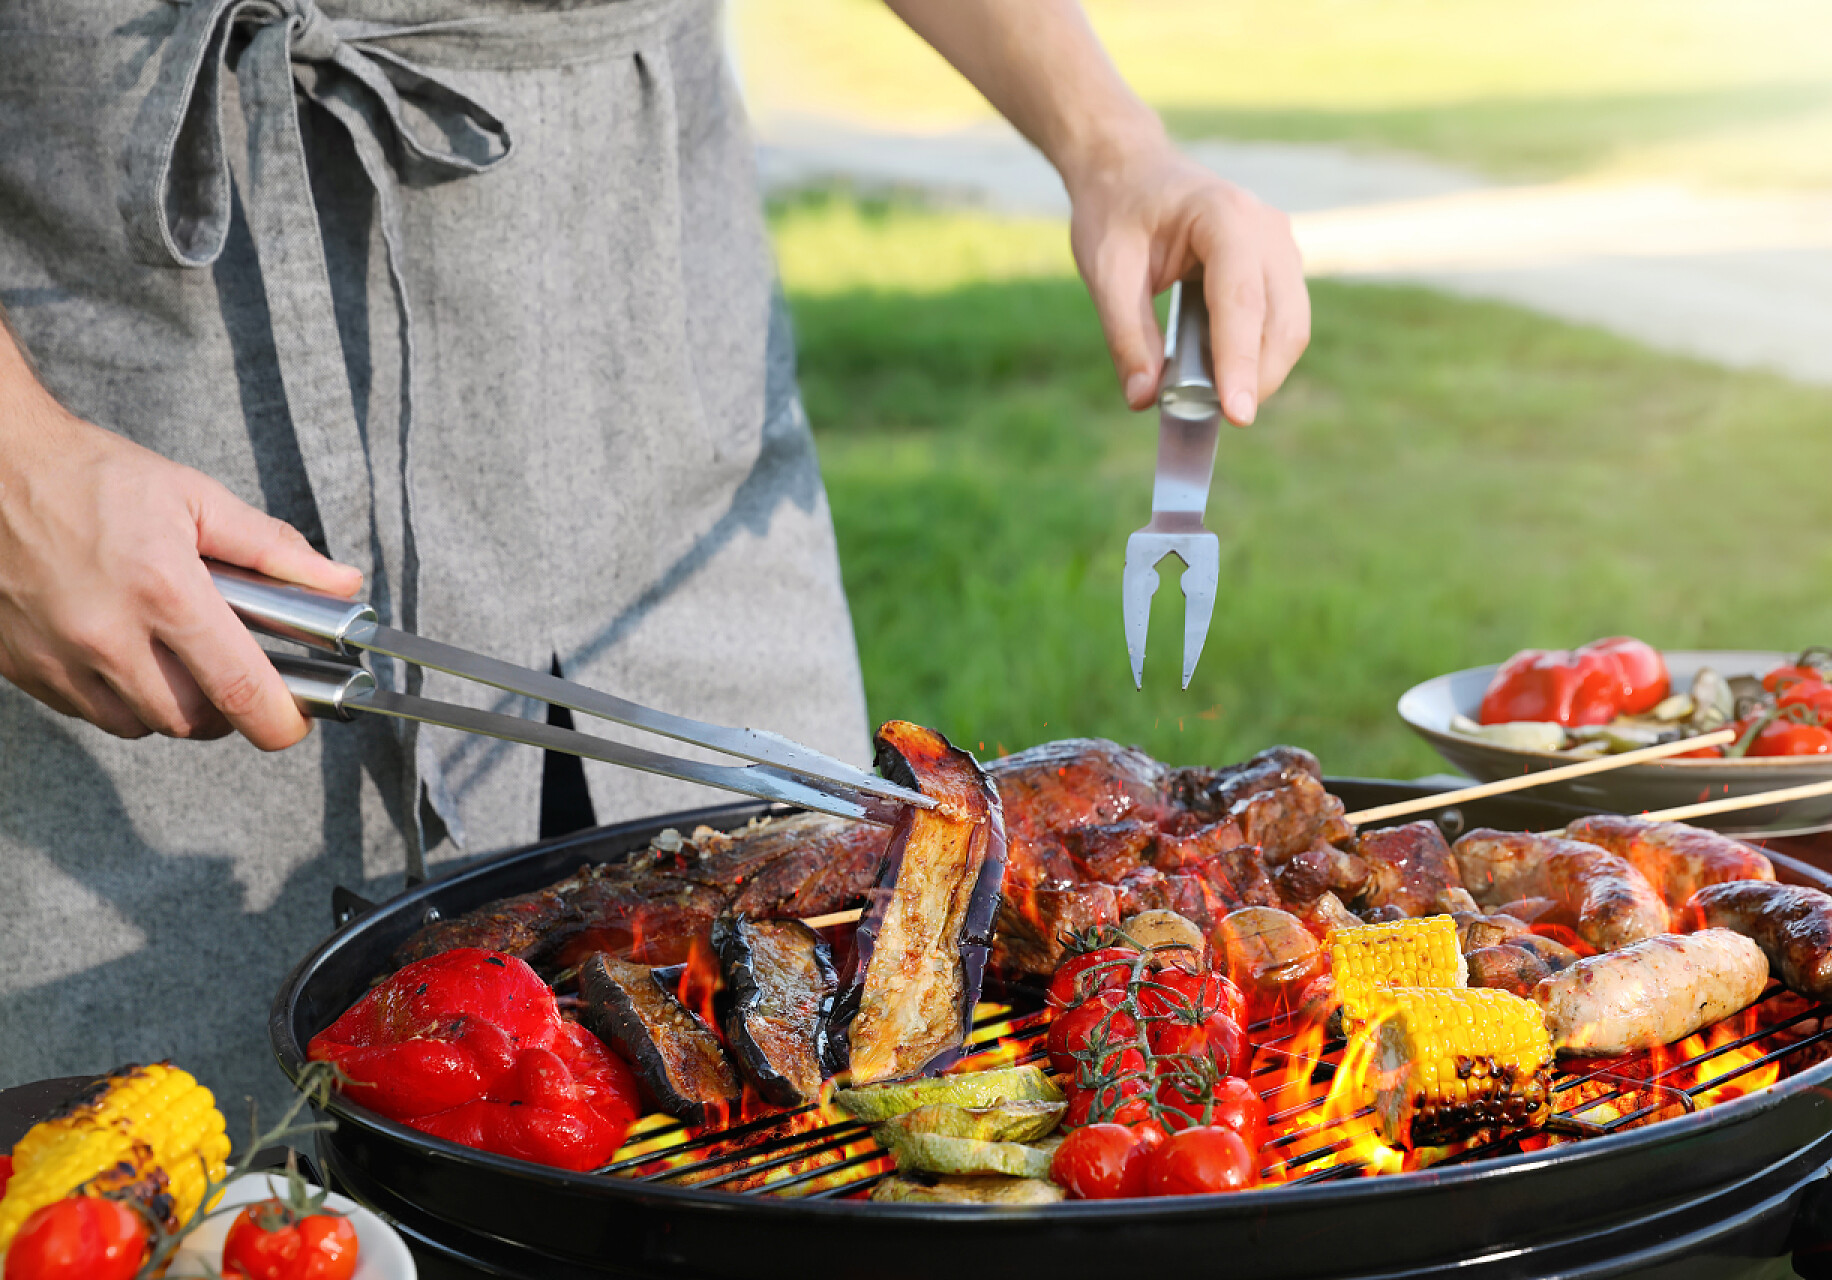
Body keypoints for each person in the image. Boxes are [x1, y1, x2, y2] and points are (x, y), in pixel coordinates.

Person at [0, 0, 1308, 1111]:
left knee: (809, 1099)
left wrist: (1108, 139)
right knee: (152, 1159)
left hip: (642, 344)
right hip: (118, 411)